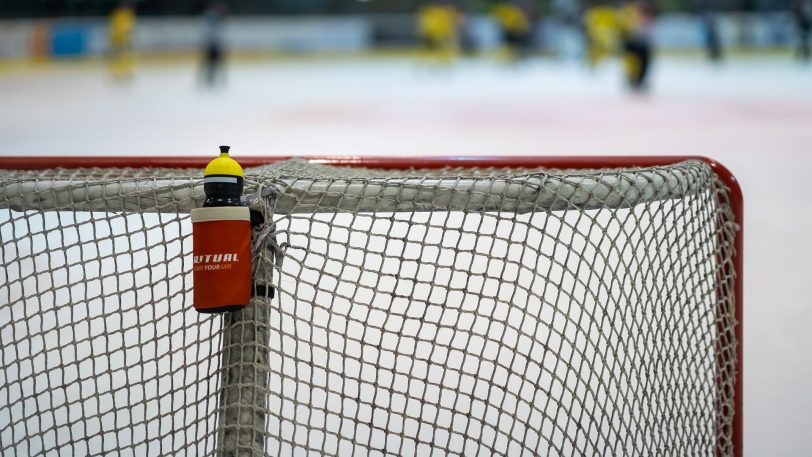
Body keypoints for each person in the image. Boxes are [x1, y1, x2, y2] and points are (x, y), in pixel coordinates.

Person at [617, 0, 653, 91]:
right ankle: (632, 80)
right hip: (631, 43)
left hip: (642, 44)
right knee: (632, 63)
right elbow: (624, 29)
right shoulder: (628, 14)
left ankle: (639, 81)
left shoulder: (645, 17)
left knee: (643, 64)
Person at [201, 2, 227, 86]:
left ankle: (212, 79)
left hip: (214, 45)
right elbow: (212, 34)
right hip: (213, 45)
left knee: (215, 63)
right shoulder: (213, 20)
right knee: (212, 63)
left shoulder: (216, 20)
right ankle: (210, 79)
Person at [109, 1, 136, 82]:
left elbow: (129, 27)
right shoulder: (120, 15)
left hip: (124, 38)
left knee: (125, 56)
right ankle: (120, 73)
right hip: (119, 38)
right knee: (120, 57)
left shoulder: (127, 14)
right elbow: (118, 27)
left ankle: (124, 72)